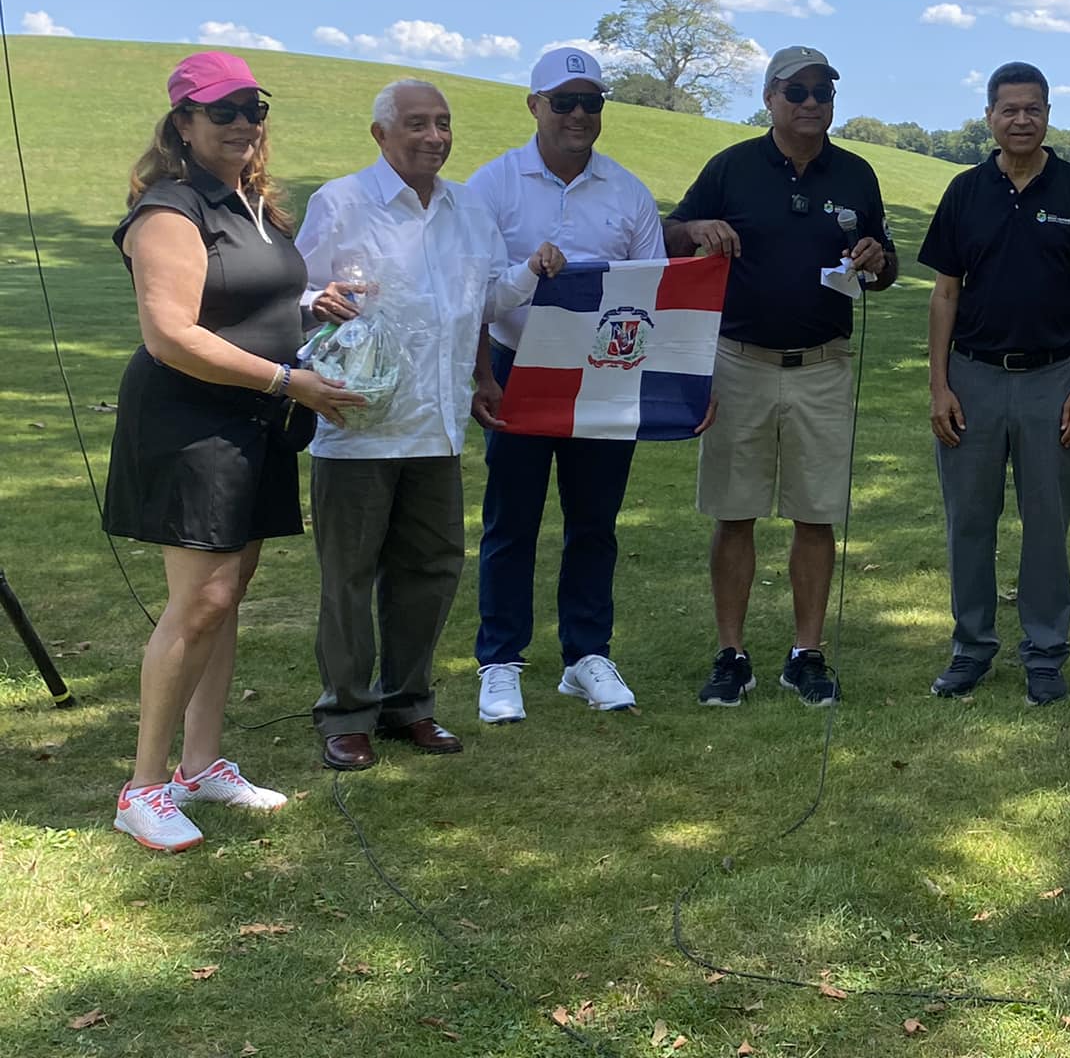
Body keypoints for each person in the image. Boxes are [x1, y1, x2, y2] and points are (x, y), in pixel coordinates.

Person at [104, 52, 364, 852]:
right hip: (192, 422)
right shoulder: (170, 209)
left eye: (255, 108)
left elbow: (245, 302)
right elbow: (171, 336)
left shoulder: (252, 204)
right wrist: (289, 381)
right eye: (223, 111)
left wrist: (309, 308)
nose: (244, 123)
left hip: (256, 419)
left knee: (228, 593)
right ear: (183, 123)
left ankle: (201, 764)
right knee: (201, 600)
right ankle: (142, 788)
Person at [297, 80, 563, 771]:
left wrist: (530, 272)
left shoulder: (468, 208)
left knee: (431, 570)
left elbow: (485, 301)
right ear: (380, 134)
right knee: (349, 577)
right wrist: (316, 299)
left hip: (438, 424)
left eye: (443, 123)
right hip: (359, 420)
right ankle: (345, 712)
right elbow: (295, 289)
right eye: (417, 124)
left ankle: (408, 704)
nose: (435, 137)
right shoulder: (342, 202)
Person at [665, 46, 896, 707]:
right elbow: (670, 234)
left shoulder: (855, 174)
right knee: (734, 511)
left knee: (815, 515)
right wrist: (698, 227)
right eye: (797, 91)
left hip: (823, 364)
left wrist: (877, 258)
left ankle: (806, 653)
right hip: (739, 362)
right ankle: (731, 654)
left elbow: (884, 269)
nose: (811, 103)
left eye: (823, 92)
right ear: (770, 98)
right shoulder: (732, 167)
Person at [465, 48, 676, 725]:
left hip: (605, 375)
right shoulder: (492, 186)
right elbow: (472, 296)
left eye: (591, 102)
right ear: (535, 106)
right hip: (518, 369)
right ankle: (500, 661)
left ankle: (586, 656)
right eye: (564, 102)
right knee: (511, 522)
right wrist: (482, 376)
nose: (579, 114)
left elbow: (654, 296)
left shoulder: (627, 191)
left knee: (594, 523)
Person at [921, 62, 1070, 706]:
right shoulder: (965, 191)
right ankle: (971, 648)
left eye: (1032, 109)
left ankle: (1044, 651)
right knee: (969, 521)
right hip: (972, 378)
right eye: (1008, 109)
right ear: (989, 116)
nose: (1021, 120)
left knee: (1045, 524)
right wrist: (939, 385)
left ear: (1047, 115)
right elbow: (944, 293)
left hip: (1052, 379)